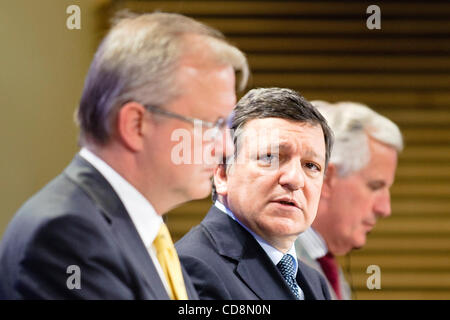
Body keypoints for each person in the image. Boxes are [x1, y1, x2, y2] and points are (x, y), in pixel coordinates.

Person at [0, 11, 249, 299]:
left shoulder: (147, 231)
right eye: (212, 124)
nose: (226, 148)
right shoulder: (67, 236)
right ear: (135, 124)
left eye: (227, 126)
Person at [176, 87, 334, 300]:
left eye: (311, 165)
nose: (295, 179)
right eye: (270, 157)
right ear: (222, 173)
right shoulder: (192, 268)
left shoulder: (315, 283)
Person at [294, 101, 403, 300]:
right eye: (375, 186)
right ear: (325, 179)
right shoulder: (276, 263)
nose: (385, 209)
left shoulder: (325, 268)